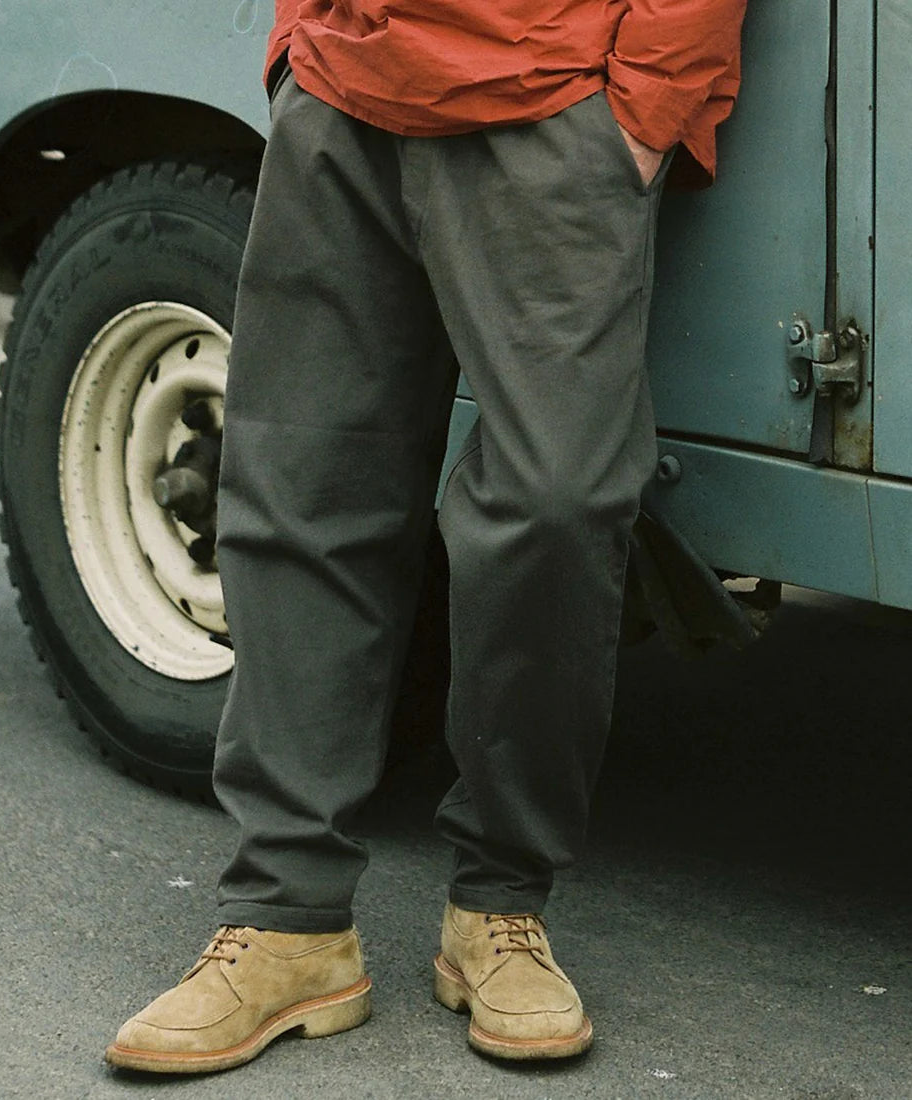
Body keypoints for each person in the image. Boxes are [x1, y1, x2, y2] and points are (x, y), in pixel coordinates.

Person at [106, 0, 746, 1073]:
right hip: (343, 90)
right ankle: (287, 915)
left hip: (557, 95)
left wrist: (648, 102)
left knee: (556, 505)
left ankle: (497, 904)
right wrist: (298, 49)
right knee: (299, 494)